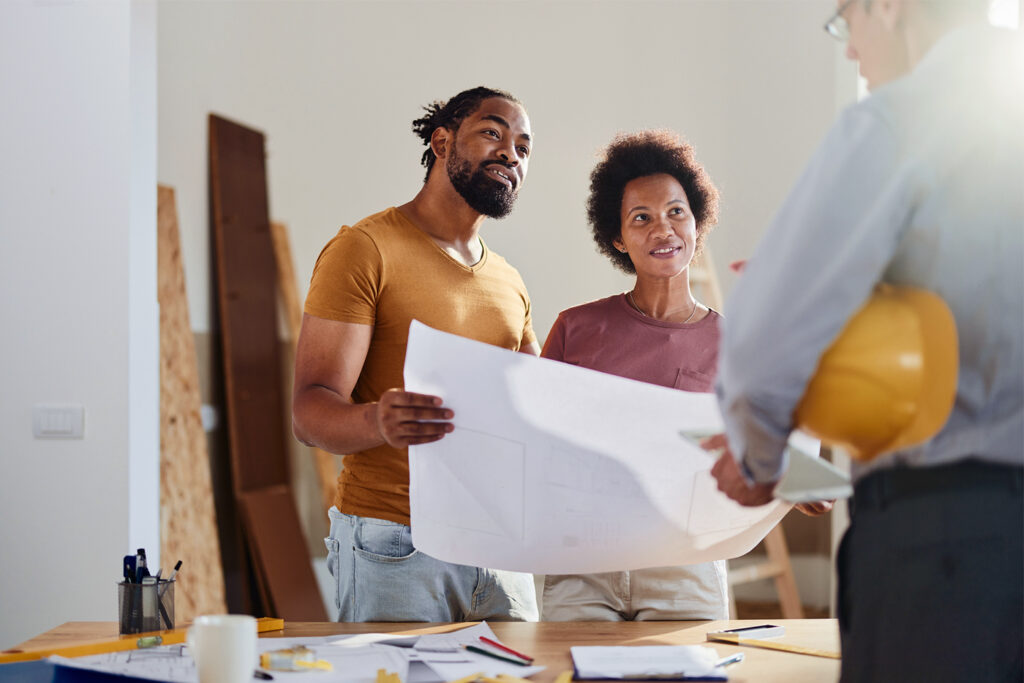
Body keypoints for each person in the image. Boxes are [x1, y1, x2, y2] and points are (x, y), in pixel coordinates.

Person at [707, 1, 1023, 680]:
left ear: (888, 7)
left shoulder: (898, 122)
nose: (850, 49)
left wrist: (756, 456)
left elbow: (762, 350)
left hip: (948, 552)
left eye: (845, 20)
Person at [292, 86, 540, 622]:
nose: (510, 154)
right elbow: (310, 412)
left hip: (498, 543)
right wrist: (380, 420)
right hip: (396, 542)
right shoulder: (365, 250)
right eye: (493, 132)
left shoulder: (510, 282)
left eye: (524, 147)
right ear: (442, 141)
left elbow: (532, 402)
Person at [542, 130, 802, 621]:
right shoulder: (576, 327)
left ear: (697, 222)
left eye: (676, 212)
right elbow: (536, 438)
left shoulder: (736, 345)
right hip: (583, 563)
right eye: (642, 218)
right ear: (618, 237)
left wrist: (796, 484)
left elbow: (764, 444)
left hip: (686, 565)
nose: (663, 229)